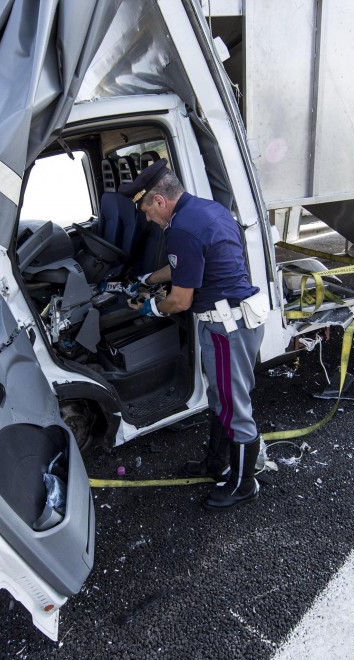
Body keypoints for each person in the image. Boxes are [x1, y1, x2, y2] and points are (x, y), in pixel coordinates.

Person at [119, 159, 265, 510]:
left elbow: (180, 301)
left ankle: (244, 485)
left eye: (146, 210)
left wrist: (150, 308)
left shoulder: (180, 230)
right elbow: (185, 265)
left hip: (226, 329)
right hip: (238, 322)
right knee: (222, 399)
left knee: (234, 407)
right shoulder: (206, 210)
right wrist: (148, 279)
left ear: (159, 200)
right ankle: (216, 464)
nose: (147, 219)